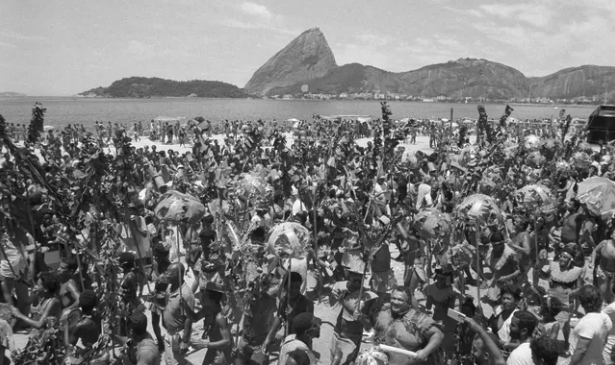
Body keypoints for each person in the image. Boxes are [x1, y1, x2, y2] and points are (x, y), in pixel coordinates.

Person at [374, 285, 444, 365]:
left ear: (408, 302)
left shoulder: (418, 319)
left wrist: (425, 351)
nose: (395, 302)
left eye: (400, 300)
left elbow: (438, 334)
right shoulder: (384, 314)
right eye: (393, 298)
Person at [181, 288, 232, 365]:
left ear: (212, 301)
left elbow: (227, 341)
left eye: (204, 297)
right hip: (212, 347)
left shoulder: (220, 317)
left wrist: (205, 344)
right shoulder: (206, 309)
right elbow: (194, 318)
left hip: (222, 351)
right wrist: (184, 305)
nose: (201, 298)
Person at [568, 285, 612, 365]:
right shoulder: (605, 317)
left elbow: (581, 349)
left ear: (582, 302)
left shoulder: (588, 322)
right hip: (597, 359)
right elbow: (604, 341)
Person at [163, 263, 195, 365]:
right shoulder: (169, 287)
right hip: (169, 331)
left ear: (179, 276)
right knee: (169, 361)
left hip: (178, 335)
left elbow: (189, 319)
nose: (167, 275)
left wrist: (184, 341)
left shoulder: (186, 294)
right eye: (166, 273)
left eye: (170, 274)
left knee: (176, 362)